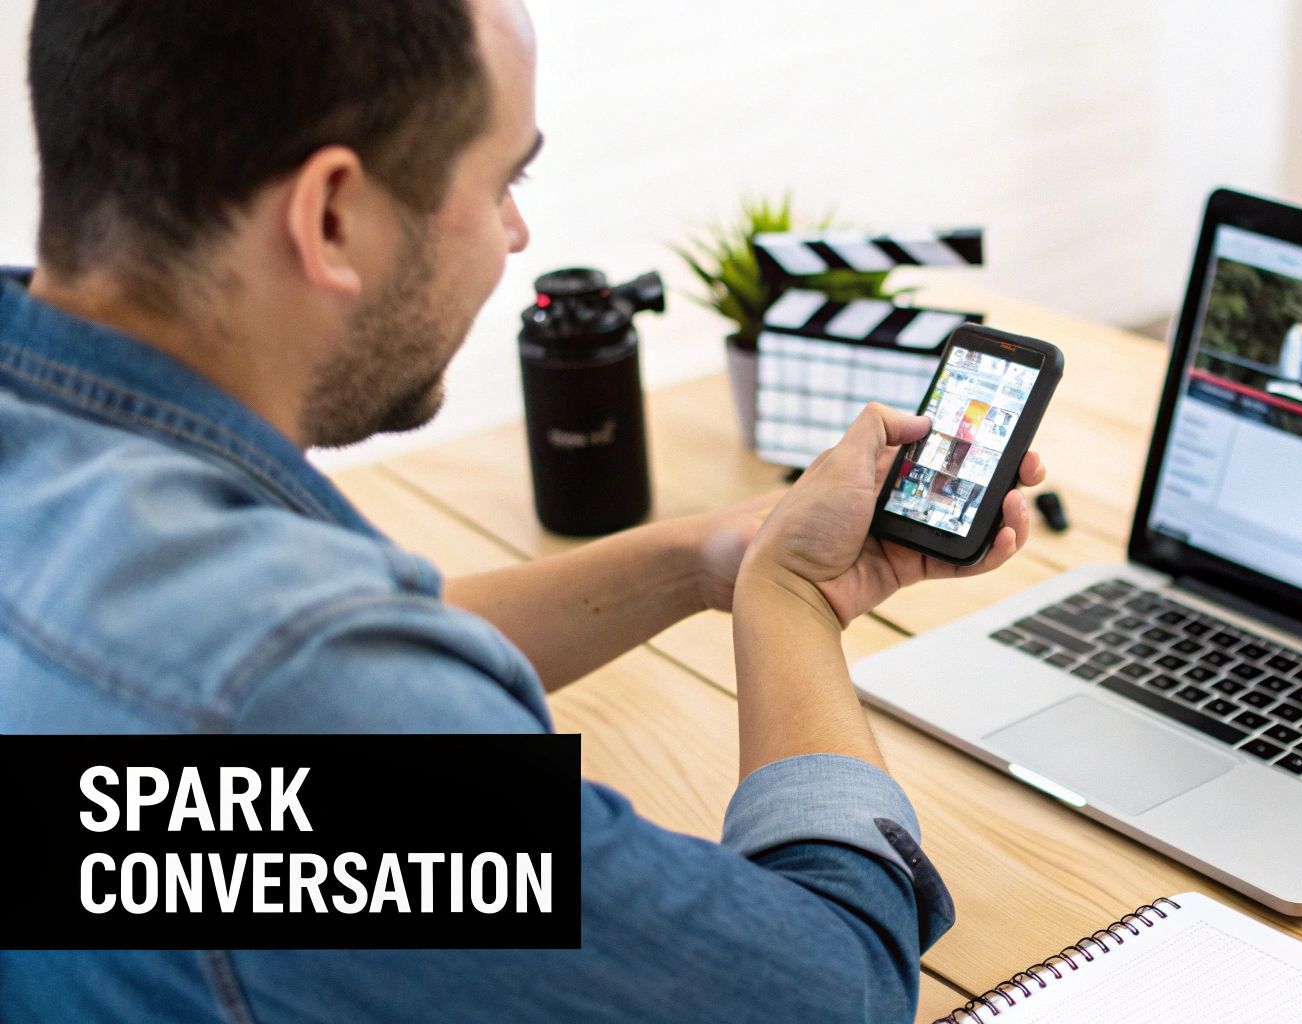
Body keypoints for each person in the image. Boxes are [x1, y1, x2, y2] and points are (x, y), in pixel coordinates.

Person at [0, 2, 1046, 1022]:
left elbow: (318, 641)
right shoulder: (304, 695)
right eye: (505, 178)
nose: (516, 232)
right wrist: (790, 601)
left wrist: (708, 555)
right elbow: (832, 984)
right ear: (330, 217)